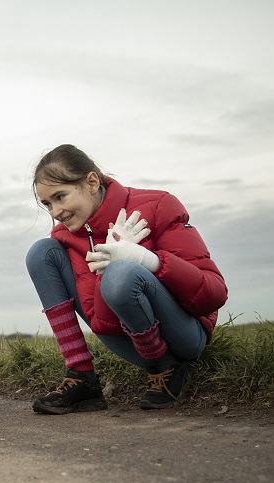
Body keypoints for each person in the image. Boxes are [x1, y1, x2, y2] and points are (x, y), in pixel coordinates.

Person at [25, 144, 227, 414]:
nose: (54, 212)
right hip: (135, 342)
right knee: (40, 252)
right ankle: (82, 376)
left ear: (92, 182)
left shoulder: (159, 205)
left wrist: (145, 259)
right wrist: (106, 270)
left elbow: (214, 294)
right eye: (47, 203)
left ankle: (166, 368)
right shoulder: (66, 236)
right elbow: (102, 322)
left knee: (122, 272)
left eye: (60, 197)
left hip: (185, 336)